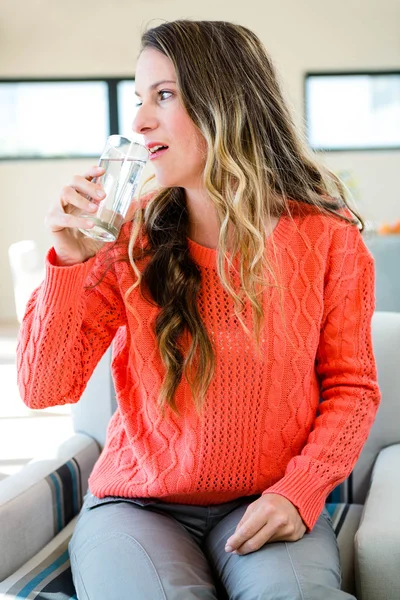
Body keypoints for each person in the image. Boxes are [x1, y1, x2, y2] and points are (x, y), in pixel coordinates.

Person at [17, 19, 381, 600]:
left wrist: (301, 489)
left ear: (227, 103)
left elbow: (352, 388)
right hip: (136, 507)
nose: (137, 121)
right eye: (138, 99)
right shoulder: (127, 237)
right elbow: (44, 388)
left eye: (164, 96)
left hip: (267, 500)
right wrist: (68, 262)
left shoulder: (327, 238)